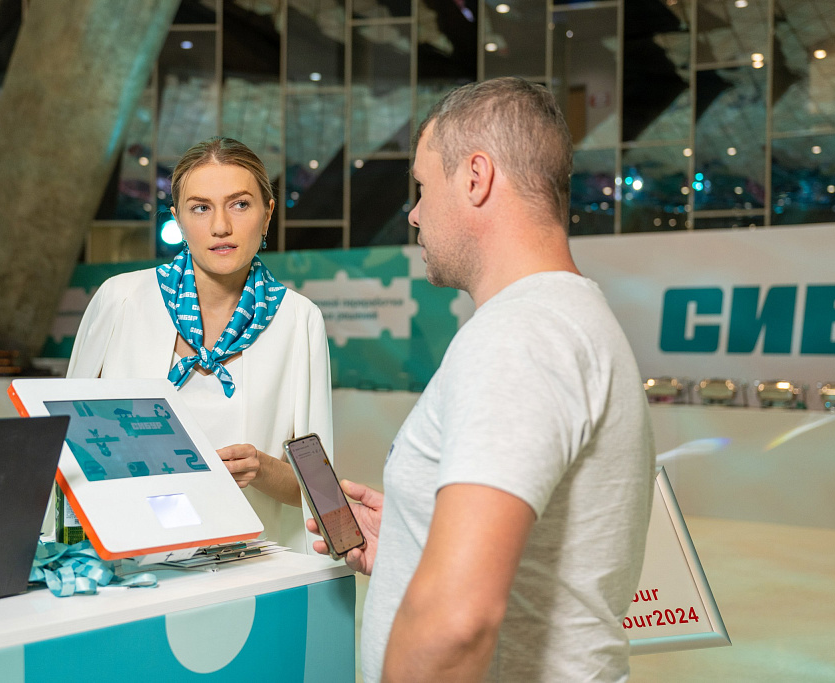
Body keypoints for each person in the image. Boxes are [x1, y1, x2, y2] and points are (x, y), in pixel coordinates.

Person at [309, 78, 656, 681]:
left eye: (422, 187)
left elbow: (456, 622)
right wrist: (413, 541)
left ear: (476, 177)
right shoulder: (563, 319)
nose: (414, 214)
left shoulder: (519, 335)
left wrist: (442, 596)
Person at [68, 137, 333, 553]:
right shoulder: (121, 300)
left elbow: (321, 494)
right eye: (200, 208)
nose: (220, 226)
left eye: (240, 204)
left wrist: (261, 468)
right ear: (178, 218)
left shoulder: (298, 320)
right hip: (128, 563)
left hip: (247, 569)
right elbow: (68, 456)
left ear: (267, 214)